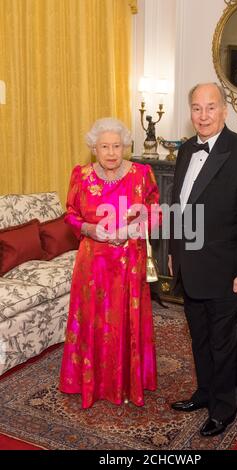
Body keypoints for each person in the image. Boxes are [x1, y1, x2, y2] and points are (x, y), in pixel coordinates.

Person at [168, 83, 237, 436]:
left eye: (210, 107)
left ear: (224, 110)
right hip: (190, 266)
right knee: (199, 337)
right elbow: (178, 207)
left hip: (229, 271)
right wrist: (173, 252)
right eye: (197, 108)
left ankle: (224, 407)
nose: (203, 115)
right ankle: (205, 391)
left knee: (226, 341)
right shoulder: (185, 151)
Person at [59, 117, 160, 408]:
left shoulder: (142, 174)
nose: (112, 152)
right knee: (94, 321)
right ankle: (93, 384)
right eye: (104, 146)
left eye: (117, 145)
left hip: (129, 261)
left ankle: (128, 383)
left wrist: (132, 230)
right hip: (93, 264)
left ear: (125, 146)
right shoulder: (81, 175)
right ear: (94, 148)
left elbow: (155, 213)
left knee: (125, 320)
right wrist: (89, 229)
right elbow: (71, 213)